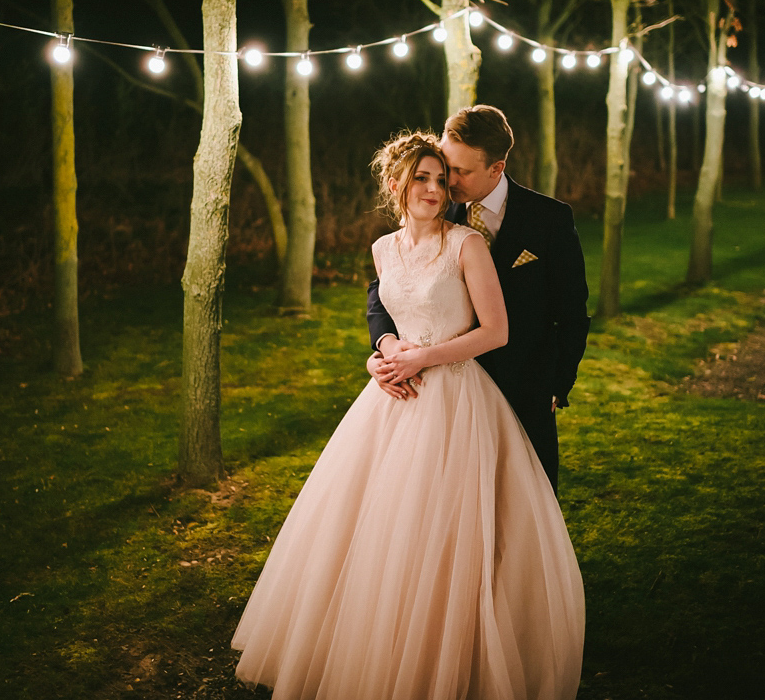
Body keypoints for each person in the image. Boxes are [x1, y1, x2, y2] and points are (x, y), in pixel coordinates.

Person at [232, 132, 585, 700]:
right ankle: (378, 640)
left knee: (462, 527)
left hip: (462, 398)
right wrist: (383, 353)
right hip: (394, 401)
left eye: (443, 179)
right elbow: (384, 305)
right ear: (395, 183)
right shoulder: (381, 248)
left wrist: (424, 356)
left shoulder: (468, 242)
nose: (435, 188)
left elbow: (499, 330)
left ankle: (462, 644)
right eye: (422, 178)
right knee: (382, 523)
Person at [367, 105, 590, 491]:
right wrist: (385, 346)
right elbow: (388, 286)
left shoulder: (549, 219)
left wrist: (557, 384)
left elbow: (572, 309)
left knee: (523, 500)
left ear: (496, 169)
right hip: (441, 391)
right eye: (445, 166)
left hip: (523, 383)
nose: (445, 181)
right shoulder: (434, 203)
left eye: (459, 172)